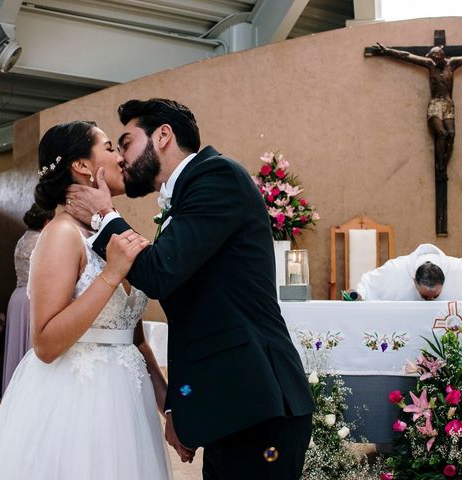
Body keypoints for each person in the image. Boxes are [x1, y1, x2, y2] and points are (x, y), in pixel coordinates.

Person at [66, 98, 314, 479]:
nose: (123, 158)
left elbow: (159, 273)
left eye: (127, 142)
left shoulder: (217, 176)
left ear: (163, 135)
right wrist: (178, 408)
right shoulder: (185, 198)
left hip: (260, 405)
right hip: (232, 407)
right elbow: (191, 319)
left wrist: (104, 215)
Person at [0, 121, 172, 479]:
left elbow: (137, 341)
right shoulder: (61, 234)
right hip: (78, 403)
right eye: (110, 147)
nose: (120, 157)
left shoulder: (110, 230)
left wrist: (169, 409)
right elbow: (46, 343)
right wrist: (111, 275)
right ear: (82, 165)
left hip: (129, 404)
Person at [367, 42, 462, 234]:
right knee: (442, 134)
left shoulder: (453, 63)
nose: (434, 58)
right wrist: (387, 51)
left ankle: (443, 163)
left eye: (436, 56)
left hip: (448, 105)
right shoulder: (429, 65)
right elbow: (407, 56)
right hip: (435, 104)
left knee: (451, 134)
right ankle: (440, 167)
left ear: (441, 54)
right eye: (432, 56)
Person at [1, 203, 54, 393]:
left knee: (19, 350)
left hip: (17, 298)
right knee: (34, 350)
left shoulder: (22, 239)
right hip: (33, 298)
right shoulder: (42, 240)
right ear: (47, 220)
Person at [356, 243, 462, 301]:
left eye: (435, 296)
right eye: (425, 296)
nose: (430, 301)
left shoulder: (455, 268)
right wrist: (358, 295)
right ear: (414, 281)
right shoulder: (396, 269)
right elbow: (368, 281)